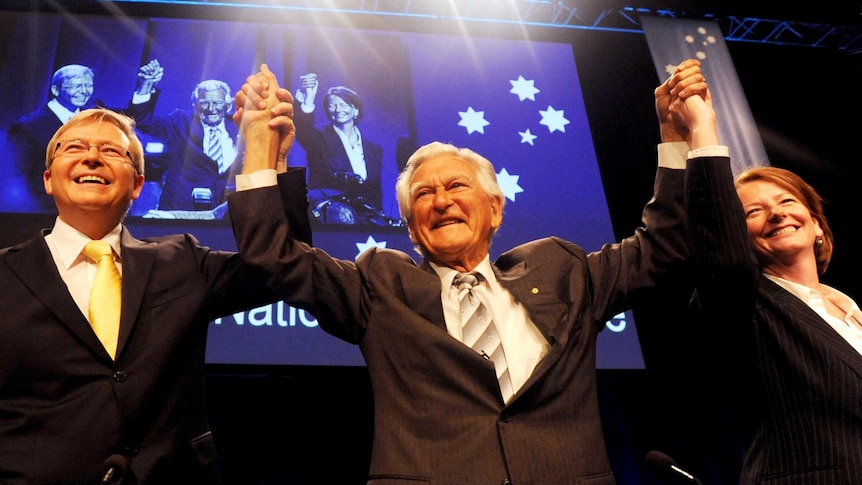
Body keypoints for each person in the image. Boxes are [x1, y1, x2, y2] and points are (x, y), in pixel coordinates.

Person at [227, 59, 726, 482]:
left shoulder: (563, 271)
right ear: (410, 227)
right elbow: (275, 258)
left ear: (495, 208)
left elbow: (662, 248)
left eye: (457, 187)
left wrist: (676, 138)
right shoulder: (381, 286)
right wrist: (258, 145)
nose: (441, 200)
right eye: (423, 194)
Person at [0, 106, 311, 483]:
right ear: (48, 179)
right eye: (75, 147)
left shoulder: (181, 262)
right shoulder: (6, 275)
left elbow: (282, 264)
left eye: (113, 151)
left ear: (137, 185)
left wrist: (269, 159)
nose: (93, 156)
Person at [685, 161, 862, 482]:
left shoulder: (851, 311)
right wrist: (701, 128)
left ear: (817, 224)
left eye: (787, 201)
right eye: (754, 212)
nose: (777, 214)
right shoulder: (742, 303)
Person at [127, 59, 241, 214]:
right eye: (204, 103)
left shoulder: (239, 126)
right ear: (195, 105)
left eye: (217, 103)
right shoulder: (180, 121)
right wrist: (146, 85)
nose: (211, 108)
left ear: (228, 106)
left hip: (229, 212)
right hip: (183, 211)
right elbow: (143, 121)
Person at [293, 72, 388, 225]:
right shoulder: (319, 137)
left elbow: (375, 189)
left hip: (366, 218)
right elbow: (303, 130)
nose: (338, 109)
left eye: (343, 105)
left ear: (355, 110)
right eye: (332, 105)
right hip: (329, 216)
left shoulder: (373, 148)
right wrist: (309, 98)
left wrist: (378, 217)